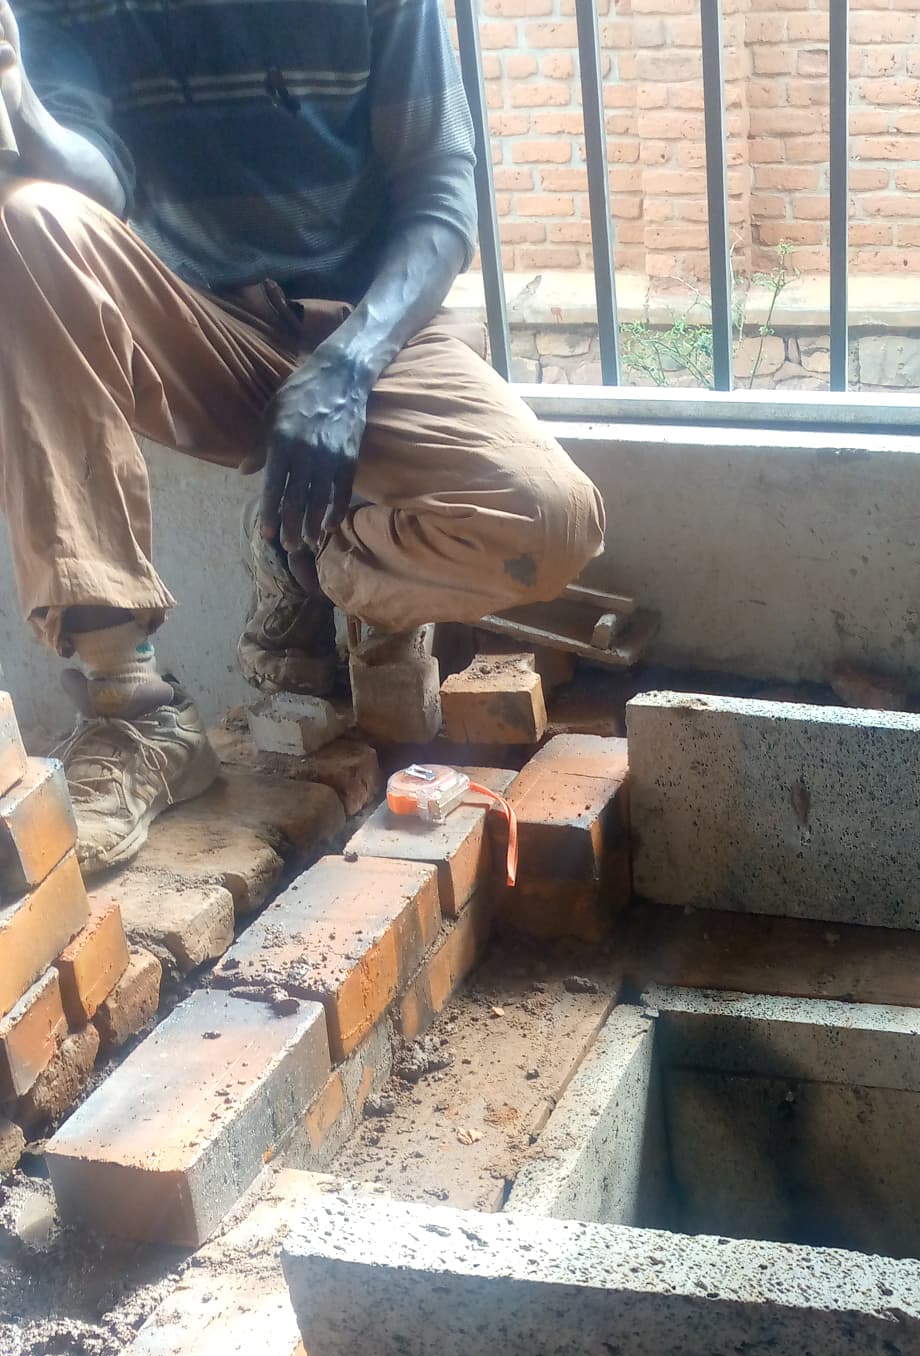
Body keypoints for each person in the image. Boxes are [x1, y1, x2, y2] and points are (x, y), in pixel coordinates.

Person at [0, 0, 605, 869]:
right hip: (193, 323)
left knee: (549, 525)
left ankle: (303, 554)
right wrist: (19, 100)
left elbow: (441, 198)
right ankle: (131, 702)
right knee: (21, 218)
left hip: (373, 325)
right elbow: (97, 188)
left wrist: (350, 363)